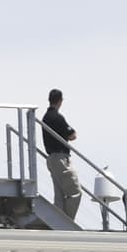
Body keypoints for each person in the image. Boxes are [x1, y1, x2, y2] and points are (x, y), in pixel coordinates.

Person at [42, 88, 80, 220]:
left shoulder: (45, 117)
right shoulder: (57, 117)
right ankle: (67, 220)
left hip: (51, 158)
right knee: (75, 192)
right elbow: (72, 135)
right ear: (60, 100)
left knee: (59, 195)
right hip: (60, 158)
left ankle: (59, 219)